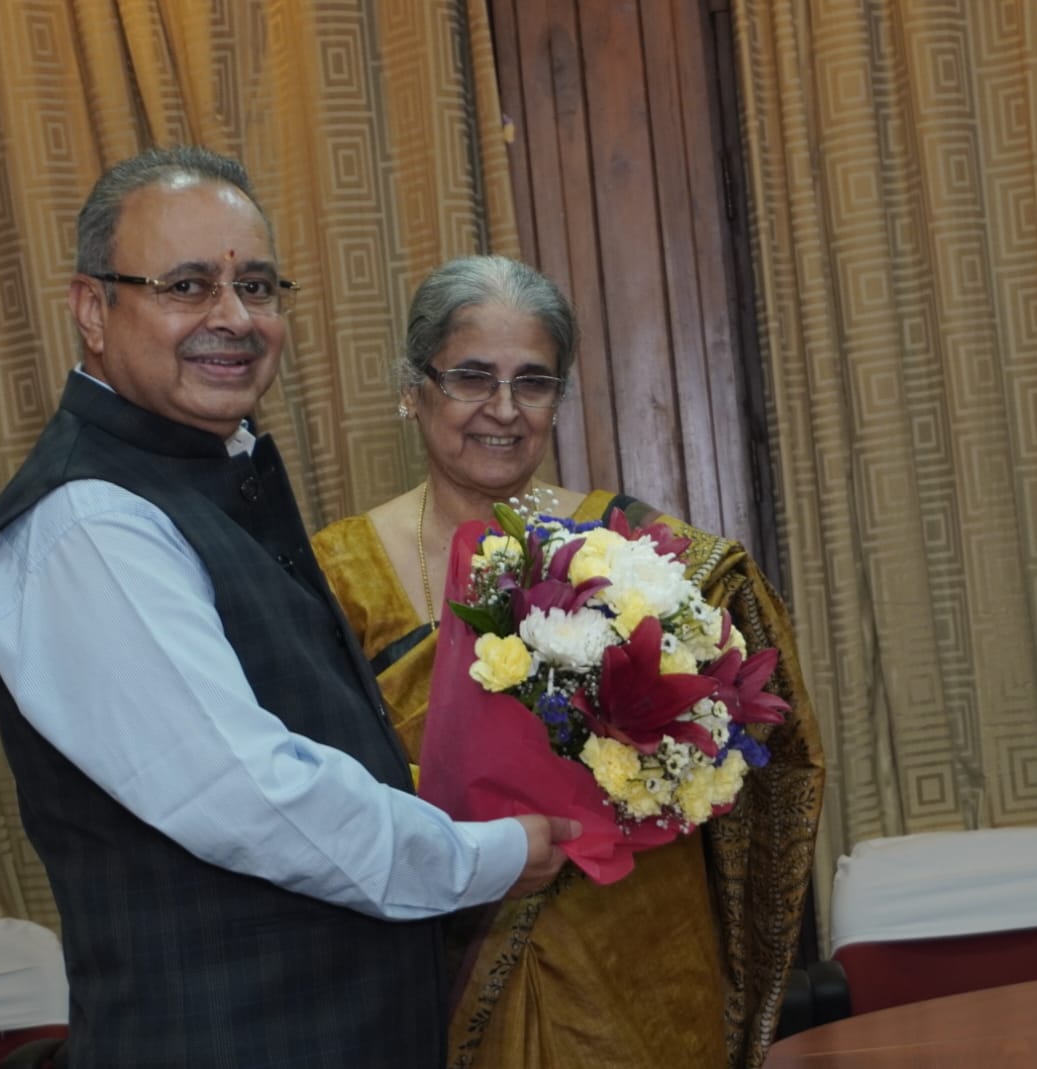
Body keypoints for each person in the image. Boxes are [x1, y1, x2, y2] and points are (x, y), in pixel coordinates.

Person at [0, 148, 578, 1069]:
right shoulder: (89, 520)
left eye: (255, 285)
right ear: (92, 309)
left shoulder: (211, 476)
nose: (234, 318)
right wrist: (479, 857)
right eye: (186, 286)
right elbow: (250, 794)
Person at [312, 255, 826, 1069]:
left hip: (636, 960)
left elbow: (762, 735)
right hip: (439, 955)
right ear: (413, 388)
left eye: (534, 382)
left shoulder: (637, 549)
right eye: (472, 377)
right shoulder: (338, 573)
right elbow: (308, 783)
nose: (504, 409)